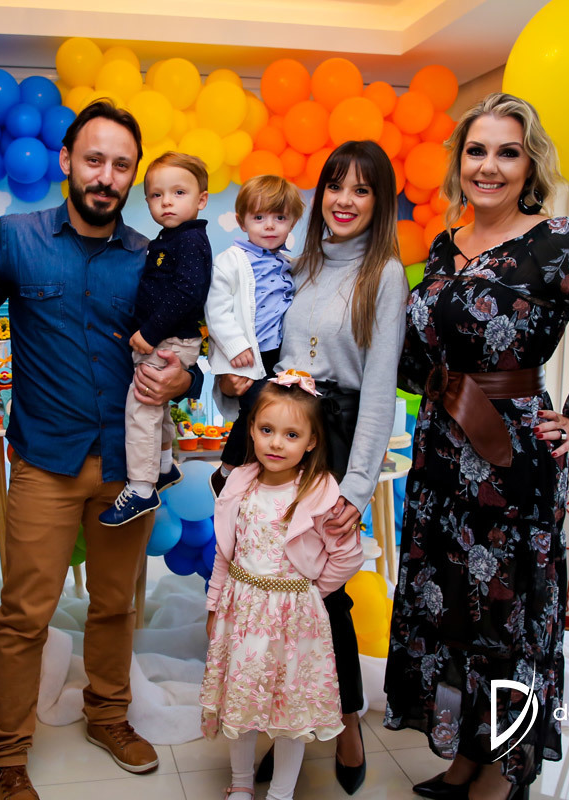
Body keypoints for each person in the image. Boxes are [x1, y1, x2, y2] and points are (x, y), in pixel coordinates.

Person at [383, 93, 569, 800]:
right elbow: (419, 351)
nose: (489, 166)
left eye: (507, 152)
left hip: (512, 461)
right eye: (476, 151)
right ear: (459, 162)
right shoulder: (446, 244)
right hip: (440, 455)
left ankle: (507, 767)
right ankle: (464, 755)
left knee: (507, 620)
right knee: (449, 611)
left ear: (529, 165)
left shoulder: (557, 242)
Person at [0, 100, 201, 800]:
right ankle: (5, 749)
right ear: (67, 161)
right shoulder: (15, 239)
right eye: (95, 159)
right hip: (44, 461)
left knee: (114, 606)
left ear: (133, 176)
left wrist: (186, 380)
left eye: (122, 165)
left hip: (125, 468)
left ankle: (108, 715)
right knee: (24, 614)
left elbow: (190, 347)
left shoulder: (150, 257)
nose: (107, 176)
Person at [216, 140, 408, 794]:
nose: (344, 201)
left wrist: (355, 487)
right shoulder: (297, 263)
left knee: (324, 594)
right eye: (335, 186)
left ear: (379, 201)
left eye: (361, 189)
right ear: (319, 194)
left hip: (337, 437)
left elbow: (379, 387)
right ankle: (277, 720)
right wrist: (234, 385)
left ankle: (347, 720)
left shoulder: (384, 274)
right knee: (266, 586)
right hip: (279, 428)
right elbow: (261, 345)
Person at [200, 372, 365, 800]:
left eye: (291, 435)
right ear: (252, 430)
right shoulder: (241, 483)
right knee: (241, 702)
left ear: (311, 441)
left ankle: (280, 793)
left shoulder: (320, 491)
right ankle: (241, 783)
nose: (276, 443)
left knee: (292, 714)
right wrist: (215, 604)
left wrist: (311, 593)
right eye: (266, 430)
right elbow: (225, 551)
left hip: (295, 624)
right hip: (243, 615)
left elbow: (347, 554)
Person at [99, 151, 211, 526]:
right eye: (156, 195)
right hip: (166, 338)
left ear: (201, 199)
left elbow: (188, 293)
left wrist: (149, 332)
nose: (166, 202)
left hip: (168, 340)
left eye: (179, 193)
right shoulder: (170, 239)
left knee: (142, 407)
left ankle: (142, 488)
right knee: (156, 407)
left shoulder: (190, 240)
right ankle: (163, 467)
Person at [205, 175, 306, 495]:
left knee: (280, 414)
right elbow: (216, 308)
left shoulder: (287, 263)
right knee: (255, 413)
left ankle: (261, 477)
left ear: (292, 223)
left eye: (280, 218)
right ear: (242, 222)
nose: (270, 226)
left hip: (277, 354)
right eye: (259, 217)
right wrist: (236, 346)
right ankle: (226, 471)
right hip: (247, 355)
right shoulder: (231, 261)